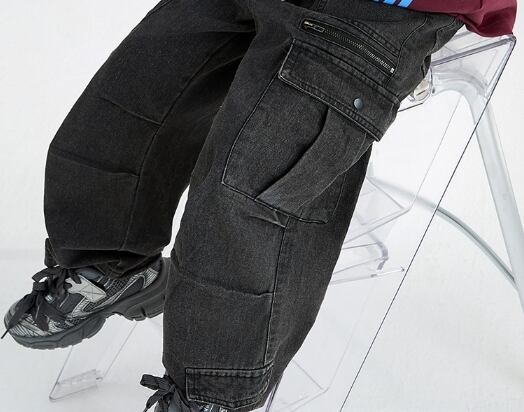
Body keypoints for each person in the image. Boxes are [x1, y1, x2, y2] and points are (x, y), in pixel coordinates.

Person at [2, 0, 516, 411]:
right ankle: (110, 264)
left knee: (247, 186)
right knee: (127, 99)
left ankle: (213, 393)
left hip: (386, 9)